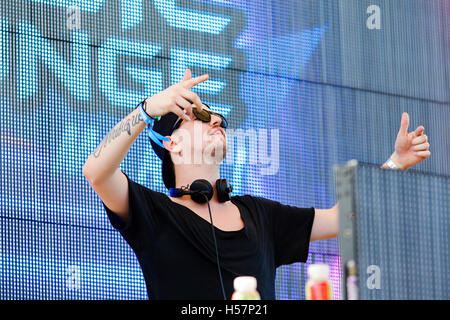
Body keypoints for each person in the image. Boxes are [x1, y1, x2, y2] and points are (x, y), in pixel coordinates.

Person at [82, 69, 431, 299]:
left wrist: (394, 164)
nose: (216, 119)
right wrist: (146, 111)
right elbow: (96, 171)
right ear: (171, 143)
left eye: (218, 116)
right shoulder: (153, 213)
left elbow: (344, 217)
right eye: (201, 115)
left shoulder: (260, 215)